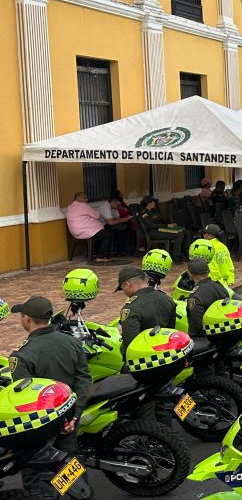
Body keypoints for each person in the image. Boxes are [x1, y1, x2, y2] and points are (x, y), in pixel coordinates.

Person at [9, 296, 92, 495]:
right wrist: (74, 416)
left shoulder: (22, 355)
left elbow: (24, 400)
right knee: (70, 465)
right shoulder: (72, 342)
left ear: (27, 319)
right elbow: (84, 381)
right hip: (69, 419)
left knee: (37, 475)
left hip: (41, 429)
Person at [116, 265, 178, 352]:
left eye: (122, 289)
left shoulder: (130, 309)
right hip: (164, 353)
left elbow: (129, 346)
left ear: (127, 284)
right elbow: (170, 331)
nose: (124, 292)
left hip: (143, 356)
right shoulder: (166, 299)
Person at [65, 191, 116, 262]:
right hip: (86, 231)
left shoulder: (70, 207)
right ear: (77, 198)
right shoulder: (83, 206)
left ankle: (95, 253)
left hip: (75, 232)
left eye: (86, 198)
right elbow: (97, 216)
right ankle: (101, 257)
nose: (86, 200)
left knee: (101, 234)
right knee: (109, 236)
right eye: (84, 198)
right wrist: (97, 213)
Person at [184, 259, 230, 336]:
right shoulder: (220, 288)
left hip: (202, 338)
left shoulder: (195, 296)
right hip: (223, 333)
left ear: (190, 274)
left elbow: (199, 324)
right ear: (208, 271)